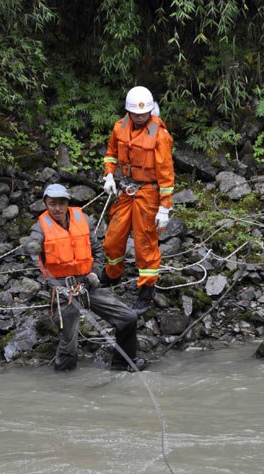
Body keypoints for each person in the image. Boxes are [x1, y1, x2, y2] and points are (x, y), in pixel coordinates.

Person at [24, 184, 148, 372]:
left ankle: (123, 363)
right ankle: (65, 382)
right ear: (46, 204)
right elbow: (35, 252)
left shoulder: (83, 219)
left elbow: (98, 250)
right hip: (63, 292)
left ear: (67, 203)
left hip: (87, 285)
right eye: (52, 204)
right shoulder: (39, 227)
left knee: (128, 317)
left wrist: (95, 273)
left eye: (61, 203)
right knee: (69, 343)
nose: (57, 208)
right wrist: (52, 281)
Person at [101, 86, 174, 314]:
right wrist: (109, 174)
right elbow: (111, 153)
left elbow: (166, 174)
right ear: (129, 112)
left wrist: (164, 208)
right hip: (127, 188)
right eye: (136, 114)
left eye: (145, 114)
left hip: (149, 192)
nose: (141, 117)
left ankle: (146, 291)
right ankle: (113, 274)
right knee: (113, 237)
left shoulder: (160, 136)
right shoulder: (119, 128)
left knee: (145, 243)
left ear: (151, 111)